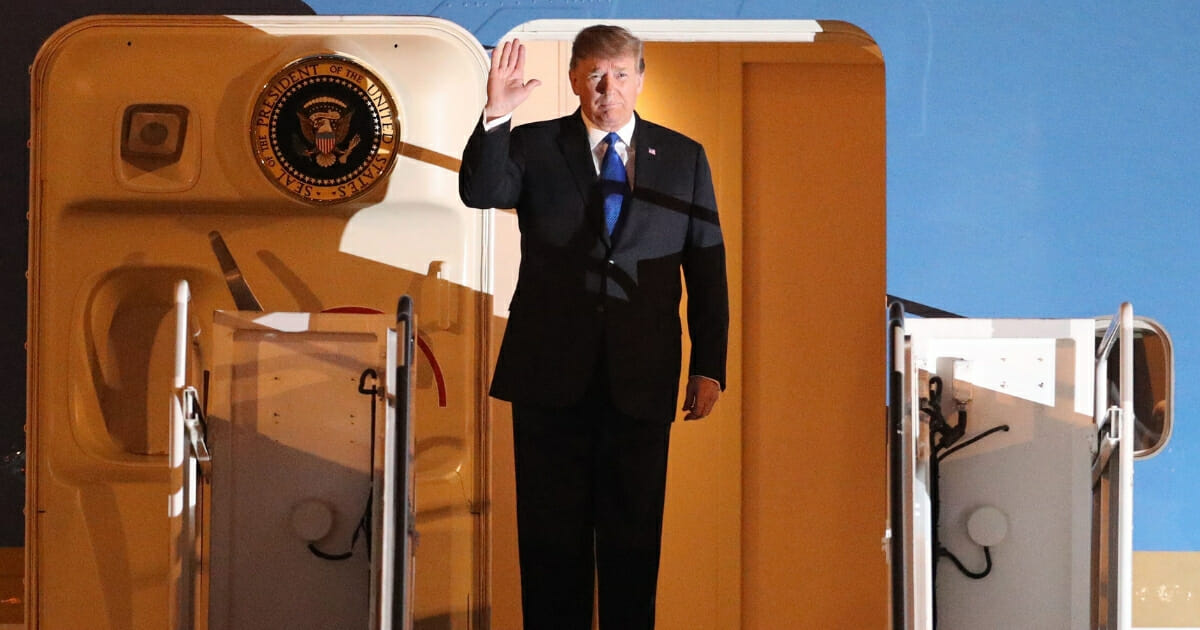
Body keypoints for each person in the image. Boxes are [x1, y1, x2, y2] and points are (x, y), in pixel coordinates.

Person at [459, 24, 729, 630]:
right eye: (595, 76)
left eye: (621, 75)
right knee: (551, 547)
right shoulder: (532, 144)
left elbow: (706, 265)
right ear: (575, 78)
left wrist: (709, 364)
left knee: (634, 545)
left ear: (640, 77)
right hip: (548, 380)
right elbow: (481, 191)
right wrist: (495, 115)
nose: (608, 89)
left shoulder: (684, 156)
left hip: (643, 377)